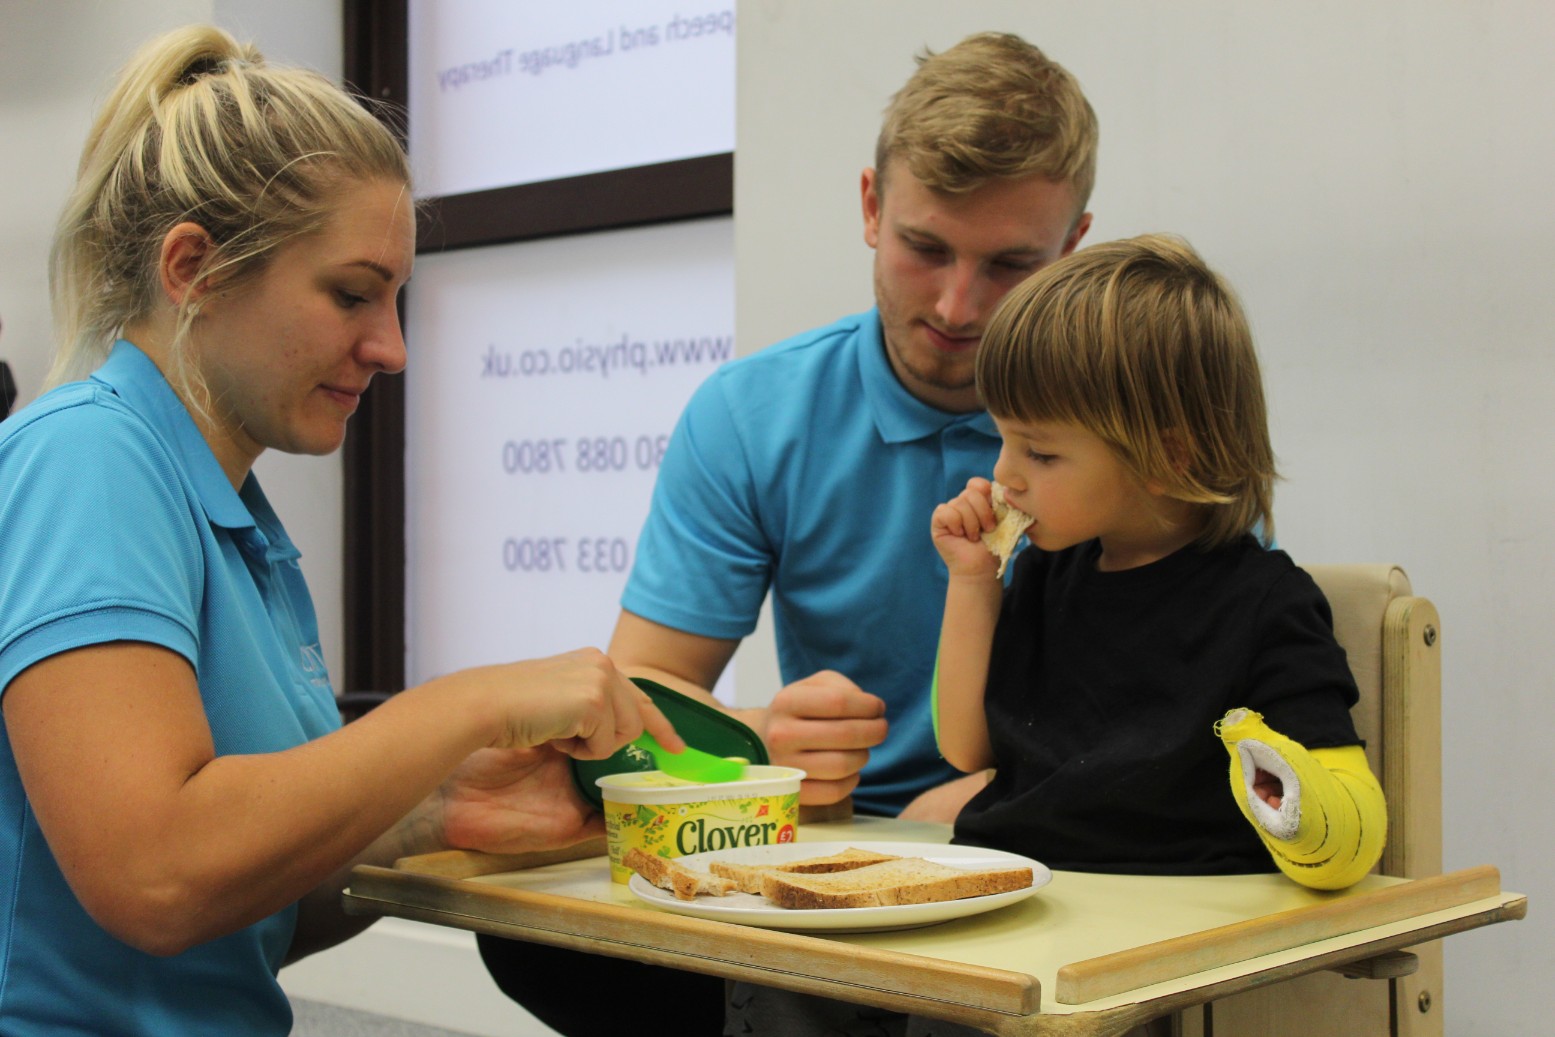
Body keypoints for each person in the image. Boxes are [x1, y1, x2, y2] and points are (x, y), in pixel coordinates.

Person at [0, 26, 682, 1036]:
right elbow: (153, 876)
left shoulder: (242, 528)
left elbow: (243, 917)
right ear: (193, 267)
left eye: (398, 297)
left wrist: (432, 815)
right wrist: (464, 706)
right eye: (352, 293)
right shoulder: (85, 458)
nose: (392, 346)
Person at [477, 31, 1097, 1034]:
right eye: (925, 248)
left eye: (1009, 265)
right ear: (867, 207)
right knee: (529, 936)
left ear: (1072, 247)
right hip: (822, 840)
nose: (955, 305)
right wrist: (760, 737)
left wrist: (1006, 793)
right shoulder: (751, 414)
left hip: (1050, 844)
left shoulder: (1125, 428)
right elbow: (628, 707)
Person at [726, 234, 1389, 1037]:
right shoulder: (1048, 572)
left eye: (1039, 451)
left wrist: (1281, 779)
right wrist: (973, 582)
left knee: (955, 1019)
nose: (1004, 474)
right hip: (1019, 905)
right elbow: (967, 746)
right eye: (1001, 436)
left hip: (1141, 952)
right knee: (782, 971)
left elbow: (1345, 823)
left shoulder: (1267, 604)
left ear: (1164, 456)